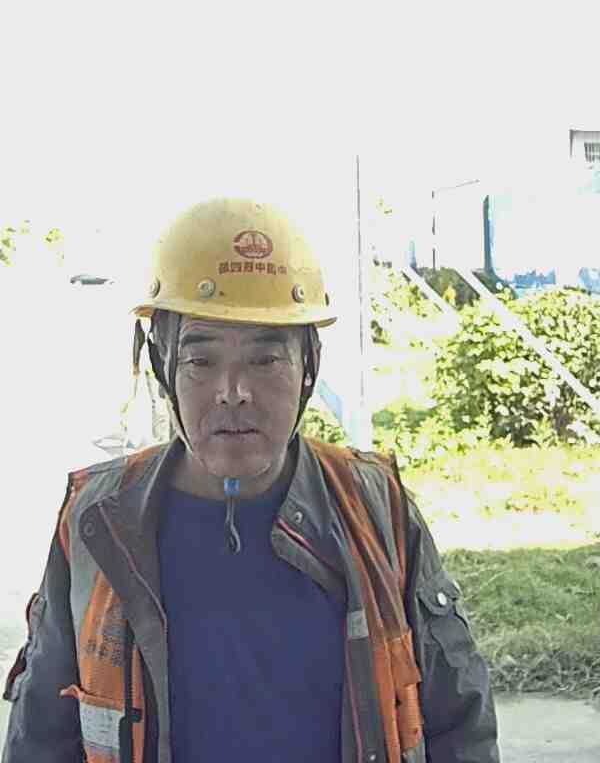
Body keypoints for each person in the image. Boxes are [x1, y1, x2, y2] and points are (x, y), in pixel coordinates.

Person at [2, 198, 500, 763]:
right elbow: (41, 737)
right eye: (201, 360)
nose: (233, 392)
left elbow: (459, 724)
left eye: (266, 360)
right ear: (164, 365)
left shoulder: (374, 506)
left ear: (308, 366)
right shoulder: (97, 520)